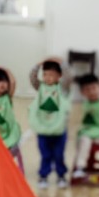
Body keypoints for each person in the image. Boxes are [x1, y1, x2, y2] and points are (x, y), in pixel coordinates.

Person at [30, 58, 71, 189]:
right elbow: (33, 78)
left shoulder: (63, 89)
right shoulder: (40, 87)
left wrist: (61, 62)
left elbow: (68, 77)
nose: (47, 78)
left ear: (59, 76)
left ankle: (61, 176)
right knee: (45, 154)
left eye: (51, 75)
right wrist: (37, 65)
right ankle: (43, 176)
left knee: (59, 154)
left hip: (59, 129)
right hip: (43, 128)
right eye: (45, 74)